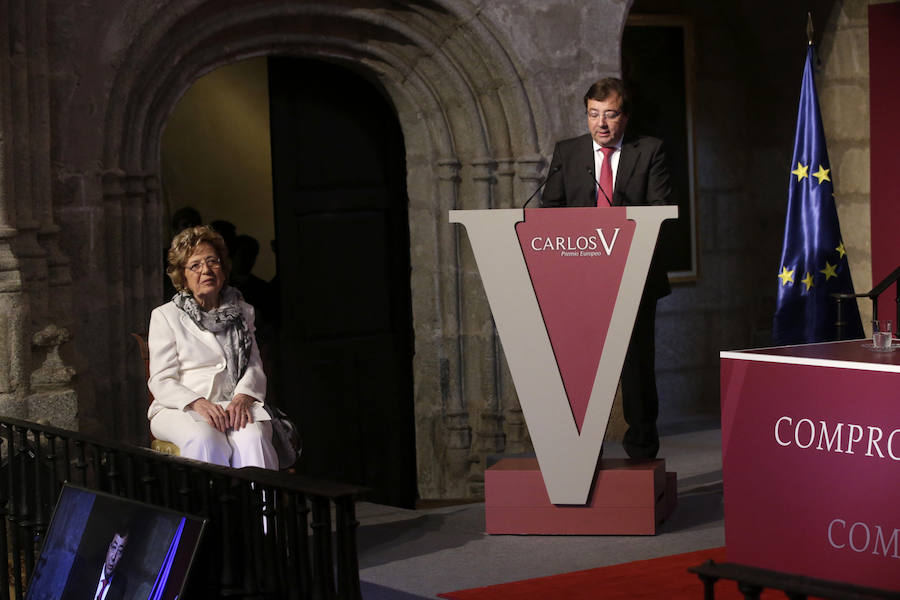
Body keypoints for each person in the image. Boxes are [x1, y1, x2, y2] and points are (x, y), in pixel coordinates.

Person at [541, 77, 674, 460]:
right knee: (581, 369)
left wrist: (622, 222)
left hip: (633, 275)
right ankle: (582, 454)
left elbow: (661, 211)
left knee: (636, 366)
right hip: (580, 279)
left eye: (610, 115)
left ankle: (643, 449)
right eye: (593, 115)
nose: (601, 124)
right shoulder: (568, 153)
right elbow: (551, 210)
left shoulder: (649, 151)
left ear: (625, 118)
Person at [148, 225, 278, 468]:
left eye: (212, 261)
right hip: (180, 408)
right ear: (182, 276)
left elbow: (253, 364)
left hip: (232, 404)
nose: (206, 270)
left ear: (223, 268)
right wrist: (196, 402)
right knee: (207, 438)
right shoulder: (165, 316)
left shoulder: (243, 312)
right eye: (195, 265)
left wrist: (243, 397)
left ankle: (262, 505)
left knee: (254, 438)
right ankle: (213, 506)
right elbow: (161, 379)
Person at [62, 529, 130, 600]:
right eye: (113, 547)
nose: (113, 557)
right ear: (108, 547)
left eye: (119, 551)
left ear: (123, 555)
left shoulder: (120, 585)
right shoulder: (88, 571)